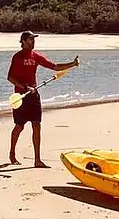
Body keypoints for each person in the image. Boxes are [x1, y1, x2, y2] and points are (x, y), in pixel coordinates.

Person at [6, 32, 78, 167]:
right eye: (30, 39)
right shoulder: (17, 57)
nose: (33, 42)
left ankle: (37, 160)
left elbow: (55, 66)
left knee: (36, 125)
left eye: (34, 39)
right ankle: (12, 154)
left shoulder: (35, 56)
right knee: (19, 126)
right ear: (23, 41)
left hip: (34, 95)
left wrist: (72, 64)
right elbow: (10, 78)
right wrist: (25, 87)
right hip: (21, 97)